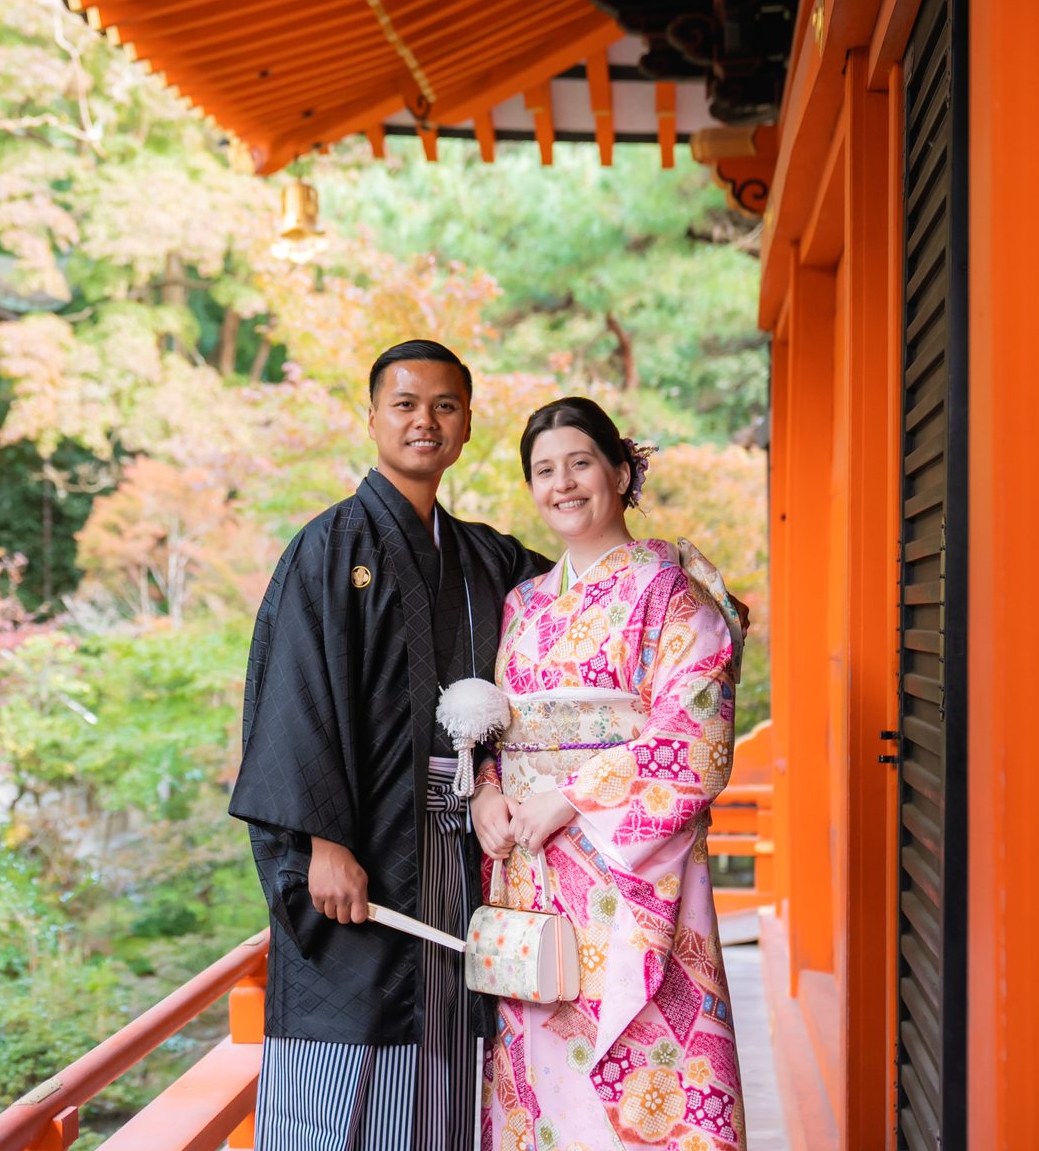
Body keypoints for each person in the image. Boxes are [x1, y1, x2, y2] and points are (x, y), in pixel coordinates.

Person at [230, 339, 550, 1151]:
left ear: (467, 425)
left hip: (460, 850)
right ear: (372, 417)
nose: (424, 422)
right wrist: (323, 842)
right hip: (361, 849)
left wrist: (670, 580)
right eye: (405, 404)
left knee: (449, 1049)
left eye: (445, 406)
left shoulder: (488, 557)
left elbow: (587, 599)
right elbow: (295, 693)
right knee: (348, 1046)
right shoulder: (329, 547)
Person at [472, 396, 747, 1151]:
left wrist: (569, 798)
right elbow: (503, 728)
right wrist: (488, 790)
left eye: (580, 464)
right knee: (541, 1065)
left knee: (639, 1061)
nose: (562, 484)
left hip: (625, 874)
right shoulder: (522, 604)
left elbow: (696, 735)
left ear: (621, 473)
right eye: (544, 471)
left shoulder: (670, 592)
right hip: (531, 873)